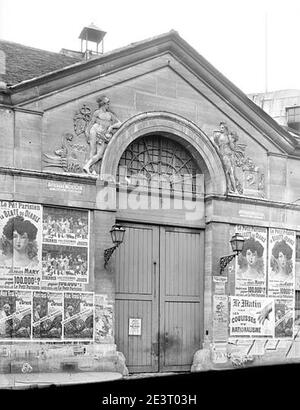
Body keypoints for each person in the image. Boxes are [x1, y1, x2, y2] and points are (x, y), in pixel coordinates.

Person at [83, 96, 122, 175]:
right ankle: (91, 169)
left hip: (102, 134)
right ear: (103, 104)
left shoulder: (110, 114)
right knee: (93, 151)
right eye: (107, 104)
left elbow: (120, 123)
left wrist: (111, 127)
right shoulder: (97, 112)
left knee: (100, 154)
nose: (108, 105)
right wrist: (87, 133)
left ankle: (88, 166)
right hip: (94, 131)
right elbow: (91, 123)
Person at [213, 122, 243, 193]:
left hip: (227, 156)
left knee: (229, 173)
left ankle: (232, 189)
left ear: (226, 128)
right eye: (220, 127)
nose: (221, 129)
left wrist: (231, 140)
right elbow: (217, 145)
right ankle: (231, 189)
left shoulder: (227, 137)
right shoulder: (220, 136)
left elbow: (233, 148)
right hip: (223, 156)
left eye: (223, 127)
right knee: (229, 173)